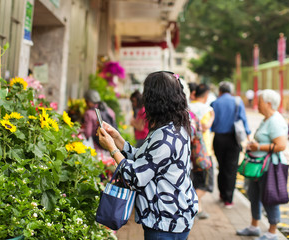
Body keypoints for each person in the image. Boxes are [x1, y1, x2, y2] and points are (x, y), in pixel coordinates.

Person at [97, 71, 198, 240]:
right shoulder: (176, 126)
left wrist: (112, 149)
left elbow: (136, 177)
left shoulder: (165, 136)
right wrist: (118, 140)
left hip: (165, 221)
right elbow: (148, 160)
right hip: (175, 214)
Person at [236, 89, 288, 240]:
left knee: (269, 198)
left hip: (269, 167)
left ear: (269, 104)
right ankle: (254, 226)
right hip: (258, 167)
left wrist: (257, 147)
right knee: (254, 195)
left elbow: (281, 145)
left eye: (260, 102)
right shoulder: (267, 119)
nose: (257, 105)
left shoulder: (275, 121)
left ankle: (272, 233)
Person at [210, 81, 251, 208]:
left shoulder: (214, 103)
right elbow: (243, 119)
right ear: (231, 91)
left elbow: (211, 123)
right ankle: (228, 199)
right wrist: (248, 136)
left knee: (221, 167)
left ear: (220, 91)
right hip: (233, 139)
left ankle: (222, 193)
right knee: (231, 169)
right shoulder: (237, 102)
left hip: (218, 139)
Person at [189, 83, 214, 219]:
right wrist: (212, 117)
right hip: (203, 152)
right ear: (206, 95)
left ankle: (199, 209)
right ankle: (190, 205)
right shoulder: (207, 109)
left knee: (195, 181)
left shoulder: (188, 107)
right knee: (206, 185)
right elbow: (206, 126)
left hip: (190, 152)